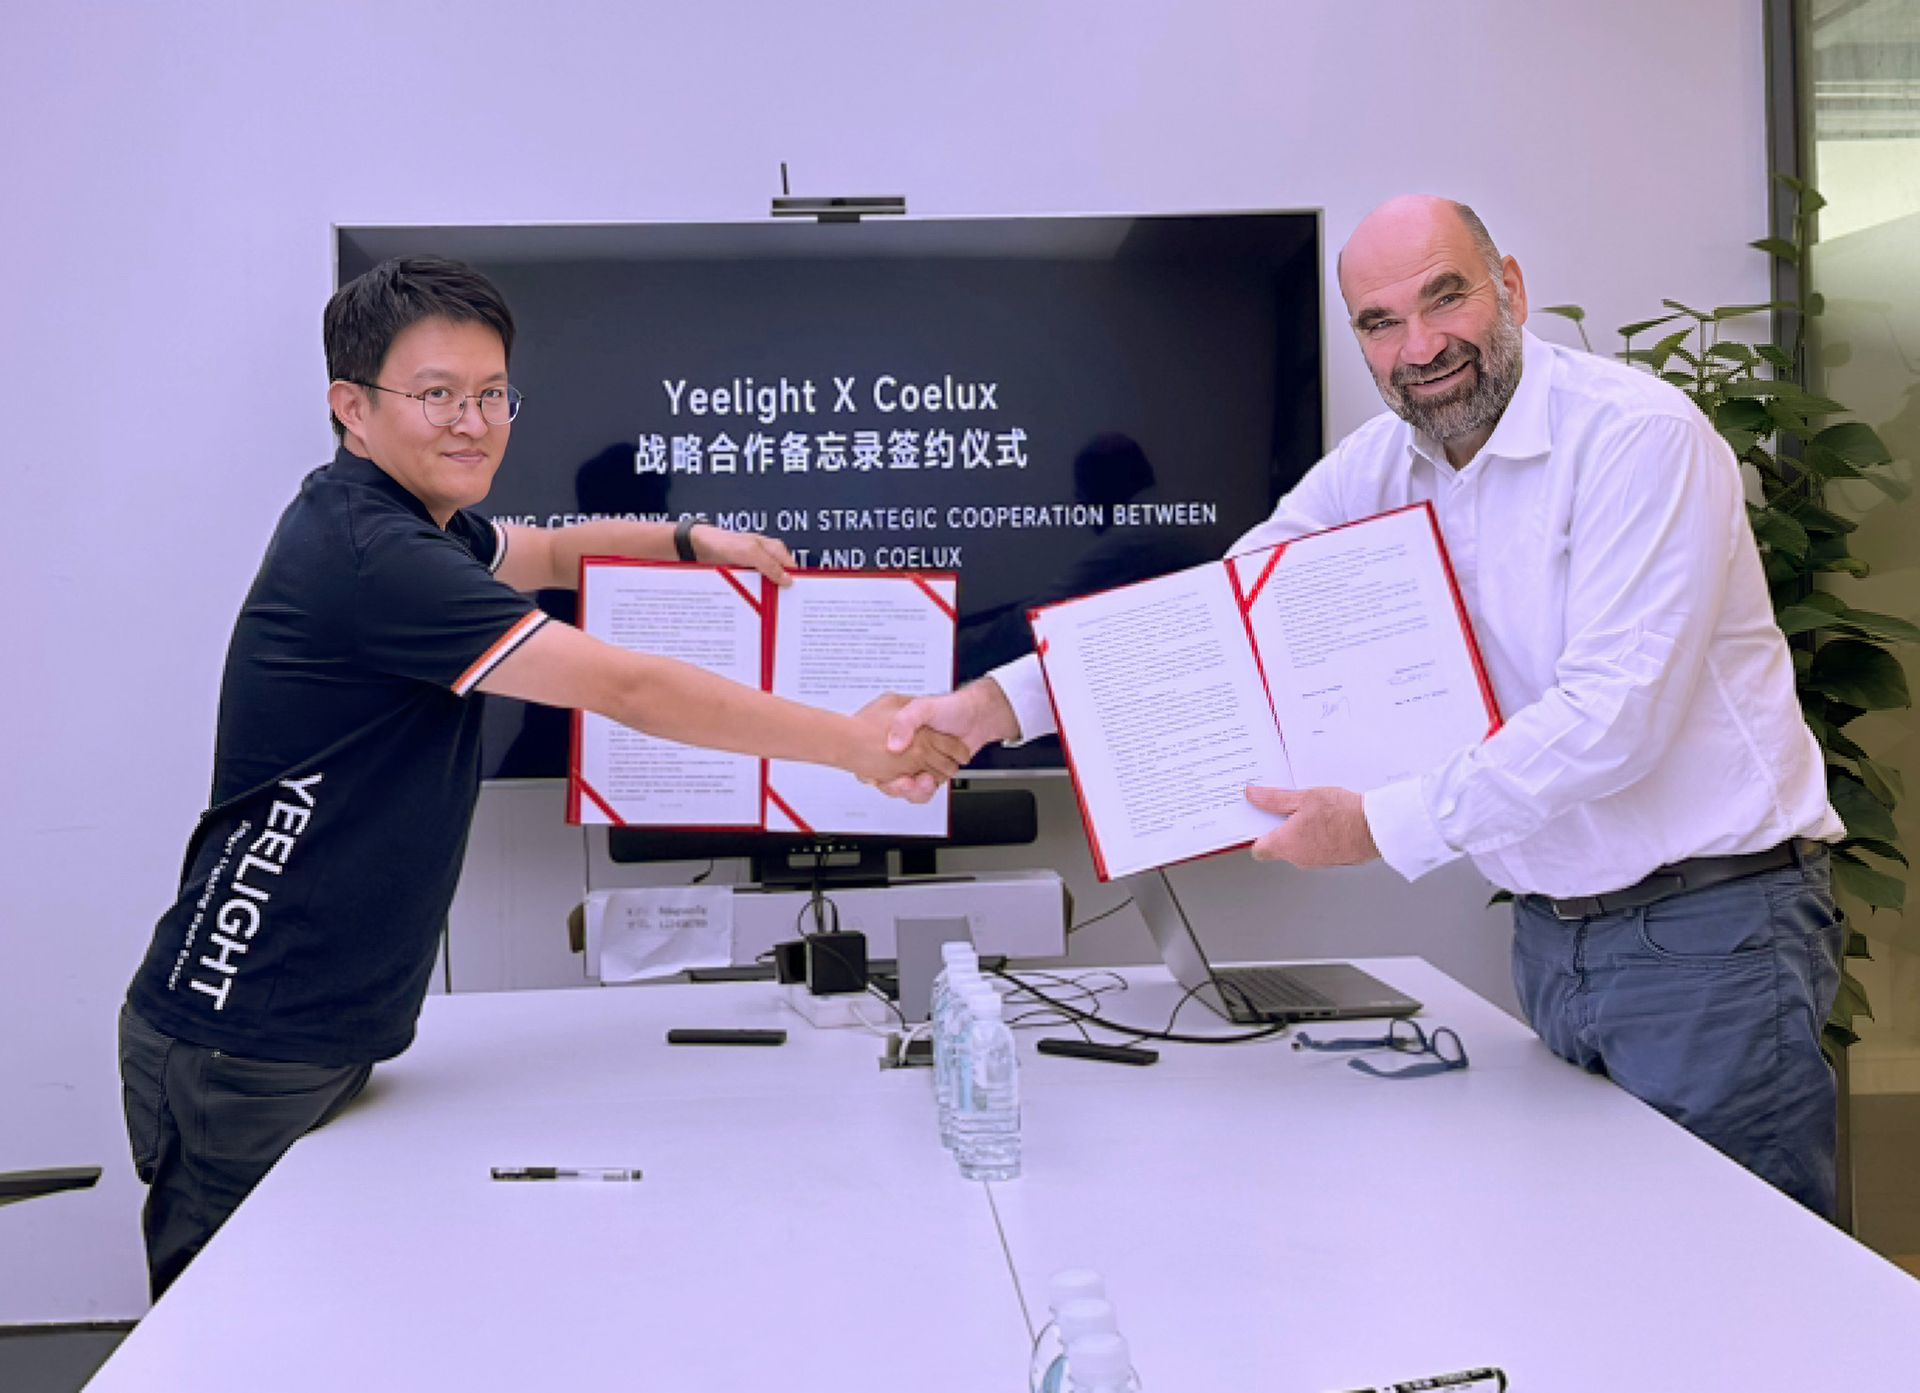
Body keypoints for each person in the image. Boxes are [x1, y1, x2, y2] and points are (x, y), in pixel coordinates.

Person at [879, 196, 1849, 1218]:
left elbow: (1616, 716)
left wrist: (1375, 824)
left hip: (1711, 933)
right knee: (1615, 1247)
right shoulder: (1382, 467)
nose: (1420, 347)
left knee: (1736, 1262)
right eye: (1382, 322)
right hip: (1556, 939)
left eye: (1446, 299)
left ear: (1511, 289)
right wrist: (995, 704)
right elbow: (1219, 615)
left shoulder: (1636, 438)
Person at [119, 256, 966, 1299]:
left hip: (300, 1027)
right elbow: (629, 688)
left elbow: (556, 555)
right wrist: (857, 746)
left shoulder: (397, 518)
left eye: (492, 395)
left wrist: (694, 541)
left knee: (330, 1314)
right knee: (237, 1335)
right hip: (244, 1040)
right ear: (352, 406)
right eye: (438, 394)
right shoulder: (376, 558)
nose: (473, 423)